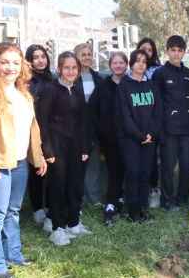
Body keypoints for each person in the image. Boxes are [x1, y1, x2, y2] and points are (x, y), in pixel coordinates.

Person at [0, 43, 47, 278]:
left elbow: (31, 129)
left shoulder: (22, 93)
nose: (10, 68)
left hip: (19, 163)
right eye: (4, 62)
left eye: (15, 63)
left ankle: (13, 255)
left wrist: (38, 157)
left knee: (12, 212)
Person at [39, 51, 91, 246]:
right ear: (59, 69)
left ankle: (73, 222)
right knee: (58, 186)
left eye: (74, 68)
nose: (70, 71)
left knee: (75, 184)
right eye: (67, 68)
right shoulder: (50, 90)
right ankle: (57, 228)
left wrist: (85, 146)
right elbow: (42, 122)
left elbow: (83, 121)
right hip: (56, 146)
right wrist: (48, 150)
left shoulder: (77, 89)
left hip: (75, 146)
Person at [116, 49, 162, 221]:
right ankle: (132, 211)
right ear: (131, 64)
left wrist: (151, 134)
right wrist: (140, 135)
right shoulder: (124, 86)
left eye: (144, 61)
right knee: (133, 173)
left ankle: (143, 208)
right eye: (138, 61)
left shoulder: (151, 85)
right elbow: (125, 116)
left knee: (145, 173)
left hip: (149, 139)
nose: (141, 64)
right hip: (131, 140)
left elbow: (158, 112)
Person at [152, 35, 189, 211]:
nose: (176, 54)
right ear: (167, 51)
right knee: (168, 167)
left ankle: (182, 199)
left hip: (187, 129)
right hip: (168, 130)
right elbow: (155, 104)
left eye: (179, 50)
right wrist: (159, 129)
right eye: (173, 50)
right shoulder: (159, 74)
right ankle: (167, 201)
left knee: (187, 165)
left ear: (184, 52)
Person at [90, 52, 127, 225]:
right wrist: (101, 132)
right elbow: (93, 111)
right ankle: (111, 203)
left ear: (126, 65)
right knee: (114, 172)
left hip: (130, 137)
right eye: (115, 63)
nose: (118, 66)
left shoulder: (131, 84)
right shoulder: (103, 86)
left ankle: (123, 199)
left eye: (121, 62)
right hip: (110, 138)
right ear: (110, 65)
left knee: (128, 170)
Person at [24, 44, 54, 226]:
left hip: (52, 131)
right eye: (36, 57)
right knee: (36, 171)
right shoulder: (27, 82)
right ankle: (37, 208)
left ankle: (50, 205)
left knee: (51, 170)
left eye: (43, 56)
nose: (40, 60)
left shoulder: (52, 78)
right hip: (34, 131)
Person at [73, 42, 104, 206]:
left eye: (89, 54)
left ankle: (94, 198)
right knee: (77, 165)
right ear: (76, 57)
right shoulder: (71, 77)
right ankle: (79, 198)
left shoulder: (97, 78)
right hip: (75, 128)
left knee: (94, 165)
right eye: (83, 54)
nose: (86, 57)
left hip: (93, 128)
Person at [137, 37, 162, 205]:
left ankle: (153, 190)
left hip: (153, 122)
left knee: (152, 159)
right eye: (143, 49)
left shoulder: (158, 71)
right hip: (135, 123)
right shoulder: (130, 71)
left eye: (150, 50)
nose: (146, 52)